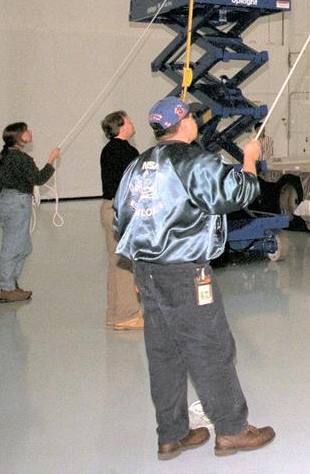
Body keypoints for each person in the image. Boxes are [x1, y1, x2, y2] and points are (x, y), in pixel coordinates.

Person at [113, 96, 275, 460]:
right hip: (185, 272)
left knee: (163, 354)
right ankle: (232, 430)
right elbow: (236, 193)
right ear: (183, 122)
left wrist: (139, 266)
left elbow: (121, 219)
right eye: (192, 116)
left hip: (147, 271)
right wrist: (250, 160)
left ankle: (171, 434)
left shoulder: (137, 165)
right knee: (210, 347)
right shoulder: (193, 161)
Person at [0, 122, 60, 303]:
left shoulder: (1, 157)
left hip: (4, 202)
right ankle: (7, 288)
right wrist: (51, 161)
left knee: (24, 247)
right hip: (17, 205)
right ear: (19, 136)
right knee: (11, 248)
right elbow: (39, 178)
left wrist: (7, 188)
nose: (30, 132)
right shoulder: (22, 159)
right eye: (26, 130)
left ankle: (12, 283)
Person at [99, 110, 142, 330]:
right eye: (130, 120)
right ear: (122, 126)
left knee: (115, 263)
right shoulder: (128, 151)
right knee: (126, 264)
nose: (133, 124)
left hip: (107, 207)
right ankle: (127, 315)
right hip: (121, 211)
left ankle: (114, 313)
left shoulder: (107, 150)